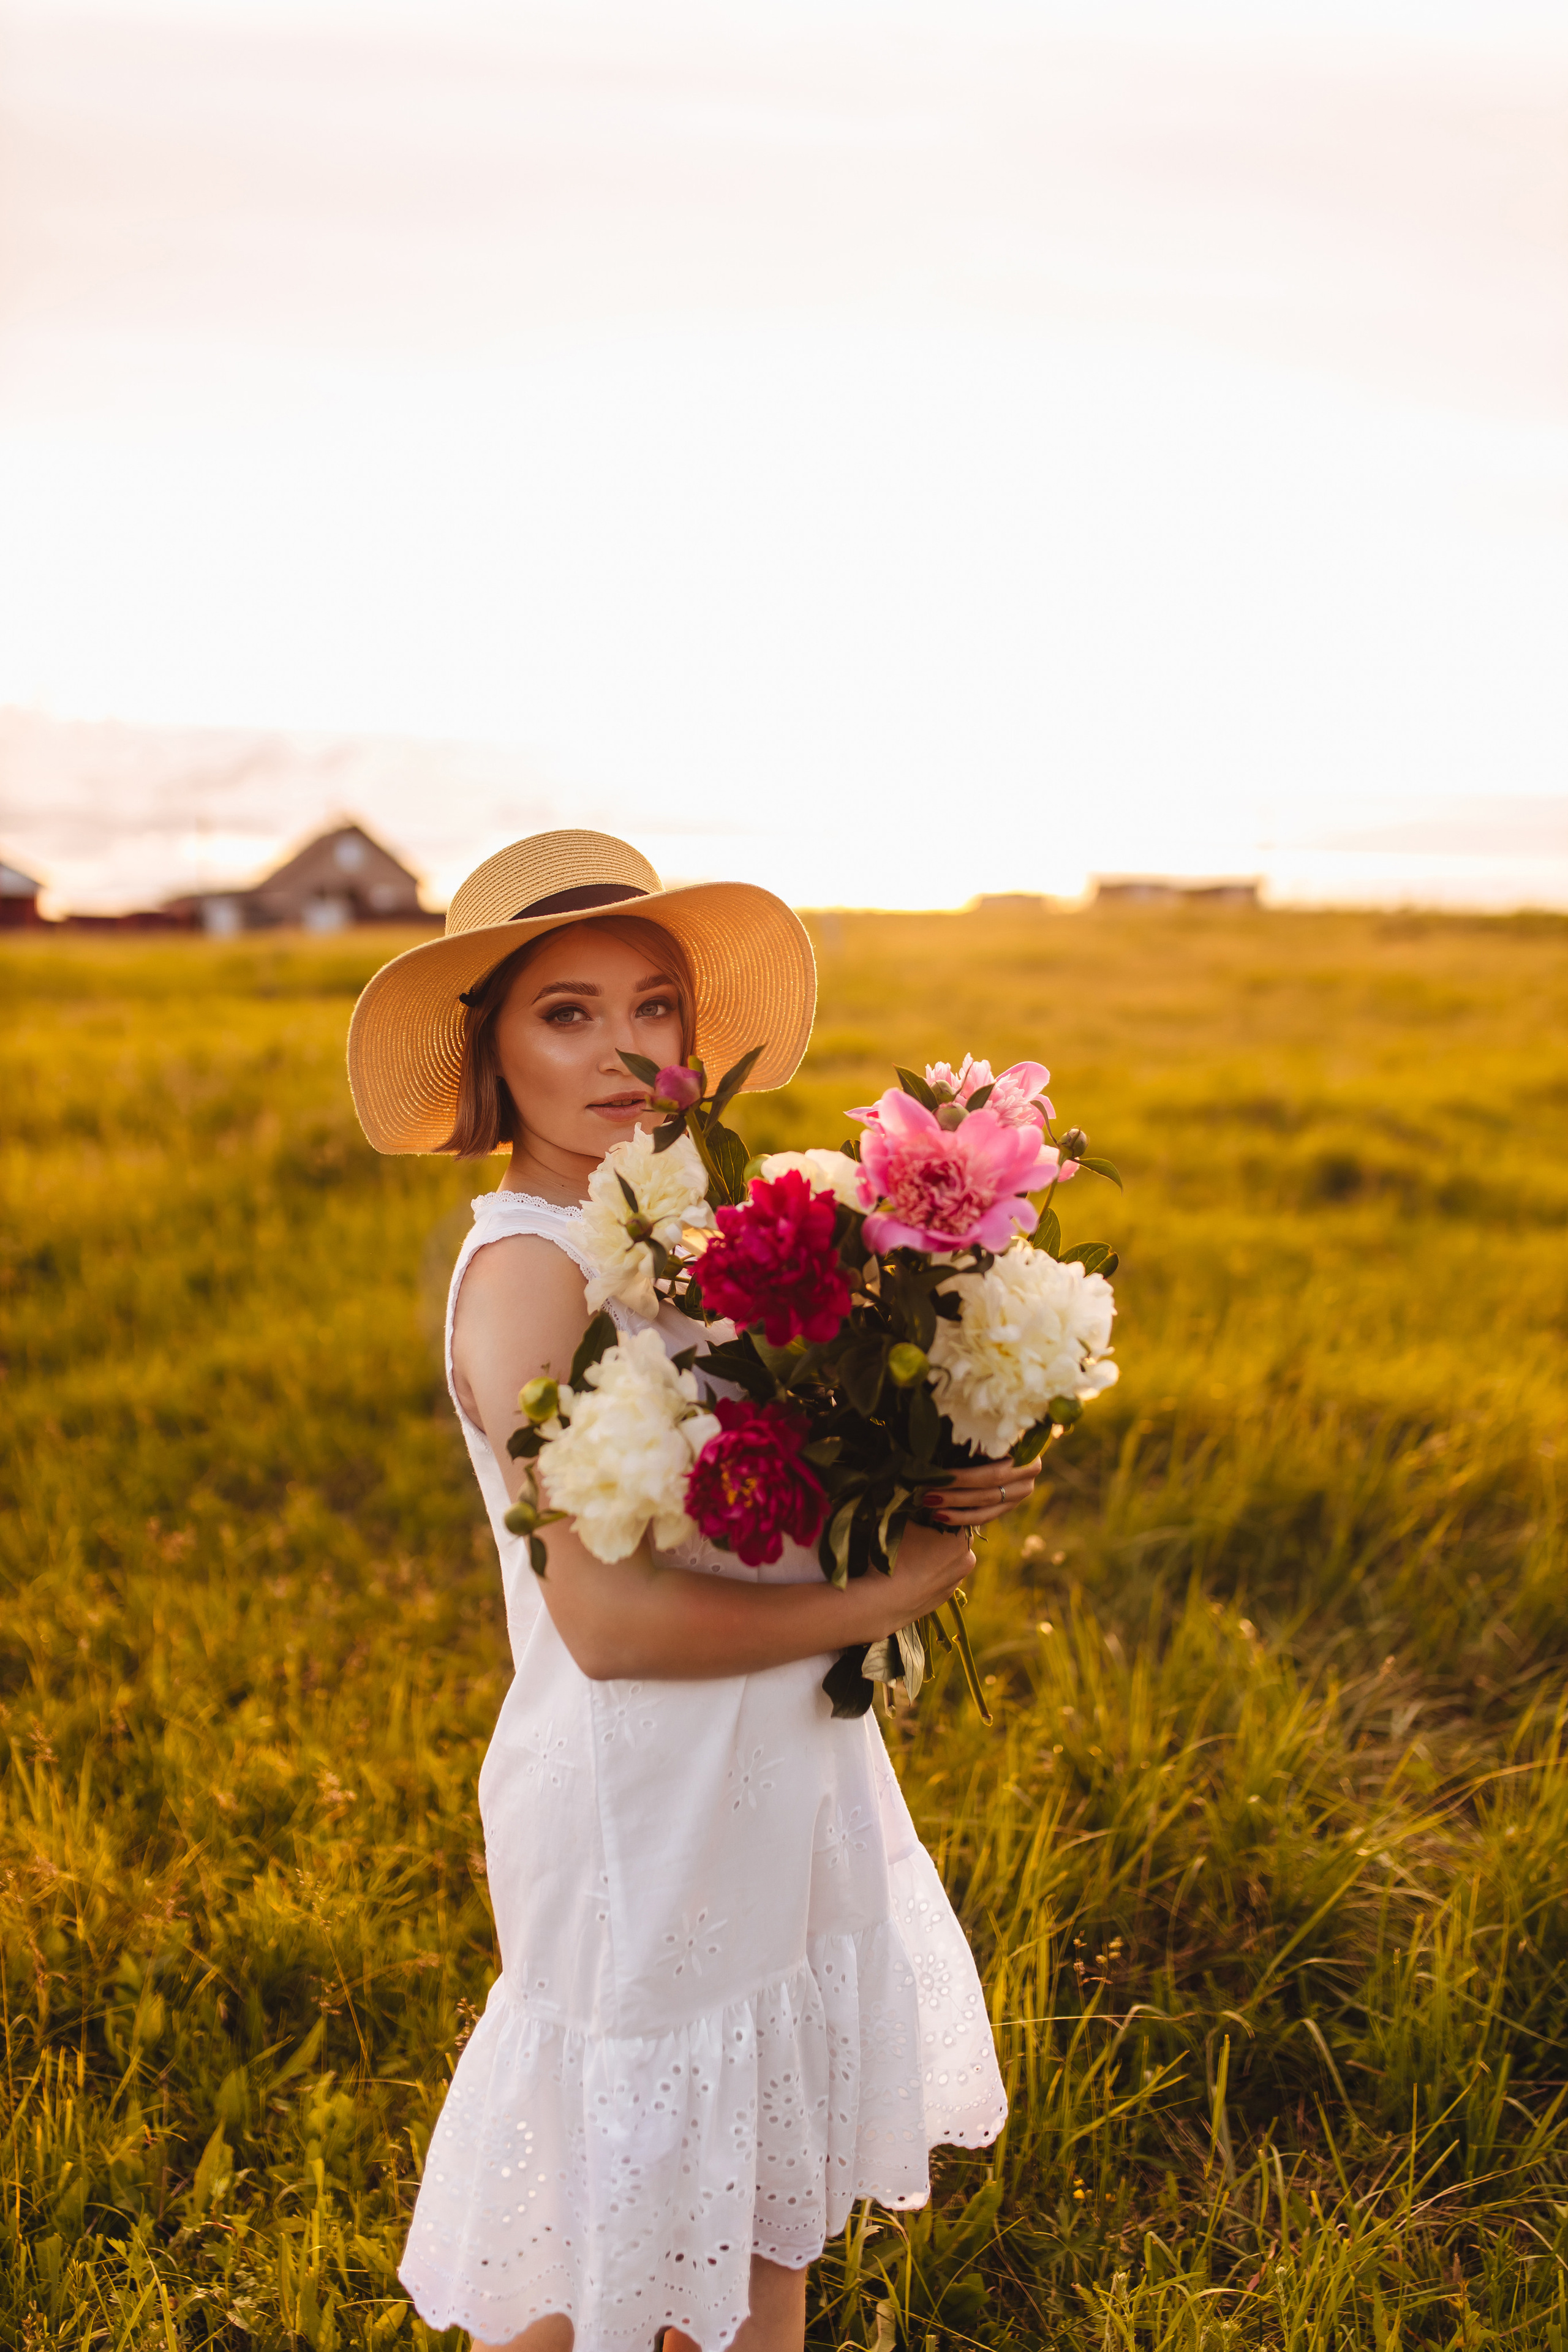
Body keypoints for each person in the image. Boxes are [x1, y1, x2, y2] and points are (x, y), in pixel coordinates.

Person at [347, 831, 1039, 2352]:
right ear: (494, 1051)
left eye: (653, 1008)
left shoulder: (674, 1233)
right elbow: (605, 1622)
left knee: (747, 2253)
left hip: (769, 1772)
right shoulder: (532, 1272)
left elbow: (758, 1497)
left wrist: (921, 1470)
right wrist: (884, 1599)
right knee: (615, 2261)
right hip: (640, 1808)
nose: (623, 1051)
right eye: (567, 1013)